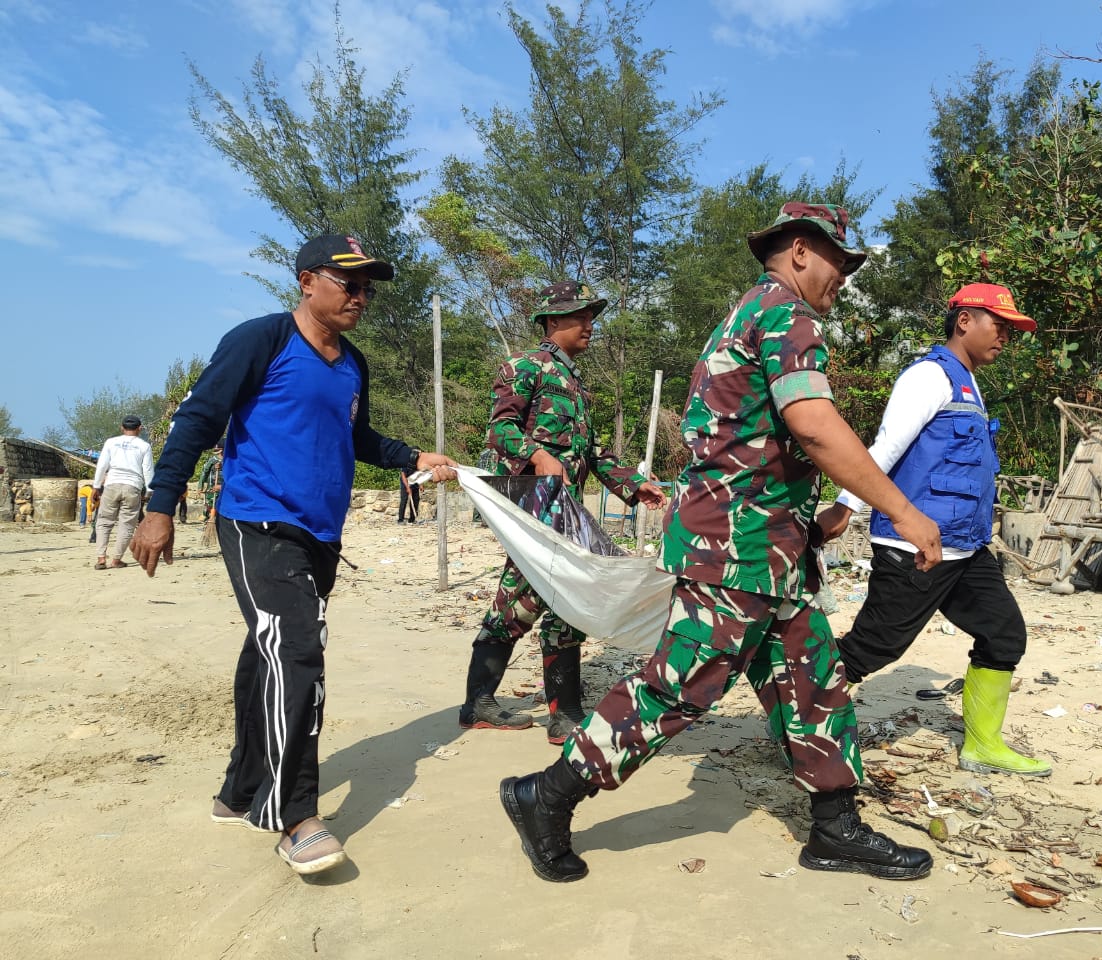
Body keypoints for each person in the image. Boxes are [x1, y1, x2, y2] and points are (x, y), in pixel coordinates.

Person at [499, 203, 943, 884]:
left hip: (771, 546)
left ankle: (835, 826)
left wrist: (811, 515)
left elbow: (762, 441)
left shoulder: (750, 314)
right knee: (680, 686)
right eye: (838, 263)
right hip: (736, 548)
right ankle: (549, 793)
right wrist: (903, 512)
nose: (843, 279)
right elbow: (815, 425)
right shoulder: (785, 315)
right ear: (799, 250)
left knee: (813, 680)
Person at [130, 234, 458, 877]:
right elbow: (196, 421)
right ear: (308, 281)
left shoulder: (353, 363)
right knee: (298, 651)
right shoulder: (262, 339)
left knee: (270, 650)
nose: (361, 298)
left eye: (367, 289)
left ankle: (239, 791)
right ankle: (293, 815)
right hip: (257, 520)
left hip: (321, 532)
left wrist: (412, 457)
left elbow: (354, 436)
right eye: (348, 284)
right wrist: (159, 505)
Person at [816, 282, 1051, 778]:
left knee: (1004, 634)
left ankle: (983, 744)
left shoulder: (970, 382)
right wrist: (843, 508)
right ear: (964, 320)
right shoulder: (929, 377)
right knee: (873, 647)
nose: (1005, 337)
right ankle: (801, 729)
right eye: (999, 325)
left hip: (964, 547)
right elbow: (882, 449)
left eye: (1011, 329)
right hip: (912, 545)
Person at [461, 281, 667, 743]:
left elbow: (592, 452)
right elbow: (501, 430)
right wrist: (536, 455)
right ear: (553, 323)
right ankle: (542, 711)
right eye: (581, 317)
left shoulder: (576, 385)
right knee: (541, 599)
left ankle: (535, 710)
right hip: (535, 510)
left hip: (564, 511)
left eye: (591, 317)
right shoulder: (524, 367)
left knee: (548, 600)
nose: (590, 326)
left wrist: (636, 487)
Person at [91, 415, 153, 570]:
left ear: (122, 428)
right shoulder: (144, 446)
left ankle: (101, 558)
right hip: (132, 487)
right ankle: (116, 559)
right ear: (140, 428)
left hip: (112, 484)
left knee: (104, 522)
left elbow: (102, 465)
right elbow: (148, 470)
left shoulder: (111, 442)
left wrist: (96, 486)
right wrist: (150, 491)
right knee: (126, 525)